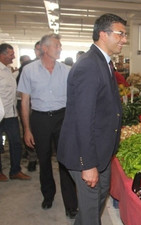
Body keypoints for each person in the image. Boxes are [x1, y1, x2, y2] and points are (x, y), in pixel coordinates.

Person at [57, 13, 127, 225]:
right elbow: (82, 119)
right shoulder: (88, 66)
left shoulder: (104, 63)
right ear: (103, 34)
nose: (124, 39)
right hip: (84, 154)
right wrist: (87, 164)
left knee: (96, 203)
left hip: (101, 151)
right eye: (120, 34)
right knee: (90, 213)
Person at [17, 34, 78, 217]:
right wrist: (27, 129)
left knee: (66, 161)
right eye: (57, 45)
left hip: (63, 117)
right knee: (43, 160)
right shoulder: (29, 70)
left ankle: (71, 204)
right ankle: (48, 195)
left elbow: (73, 98)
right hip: (40, 119)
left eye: (60, 46)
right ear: (45, 48)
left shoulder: (67, 70)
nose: (60, 48)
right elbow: (25, 101)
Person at [0, 43, 31, 182]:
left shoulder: (7, 70)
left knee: (16, 143)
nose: (13, 57)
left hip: (11, 114)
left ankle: (15, 170)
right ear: (3, 54)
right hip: (1, 115)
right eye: (11, 54)